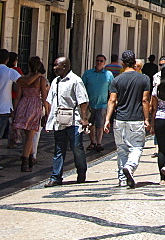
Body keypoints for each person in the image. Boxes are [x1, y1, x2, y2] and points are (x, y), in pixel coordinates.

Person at [104, 50, 151, 188]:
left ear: (122, 63)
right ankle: (130, 167)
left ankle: (122, 179)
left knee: (121, 150)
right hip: (136, 119)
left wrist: (107, 119)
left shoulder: (116, 80)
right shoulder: (144, 79)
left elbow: (112, 100)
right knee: (136, 147)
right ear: (135, 62)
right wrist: (147, 119)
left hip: (120, 119)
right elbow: (144, 100)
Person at [43, 56, 90, 186]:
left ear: (64, 66)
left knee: (76, 147)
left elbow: (83, 101)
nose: (54, 68)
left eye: (56, 65)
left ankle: (81, 170)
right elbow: (50, 101)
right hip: (59, 120)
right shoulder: (55, 81)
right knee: (59, 148)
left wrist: (84, 119)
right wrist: (48, 119)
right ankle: (56, 177)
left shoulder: (76, 81)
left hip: (73, 120)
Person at [12, 59, 48, 171]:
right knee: (30, 136)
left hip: (23, 105)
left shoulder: (22, 79)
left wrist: (15, 110)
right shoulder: (40, 79)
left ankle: (31, 158)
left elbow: (18, 96)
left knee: (26, 134)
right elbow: (44, 96)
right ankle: (25, 162)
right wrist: (47, 111)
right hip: (34, 105)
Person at [83, 54, 114, 152]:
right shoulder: (88, 74)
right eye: (97, 60)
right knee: (90, 124)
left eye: (101, 61)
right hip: (89, 104)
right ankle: (92, 142)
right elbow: (82, 88)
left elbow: (112, 90)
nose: (99, 62)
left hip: (102, 104)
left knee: (100, 125)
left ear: (104, 63)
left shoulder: (109, 74)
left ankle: (99, 142)